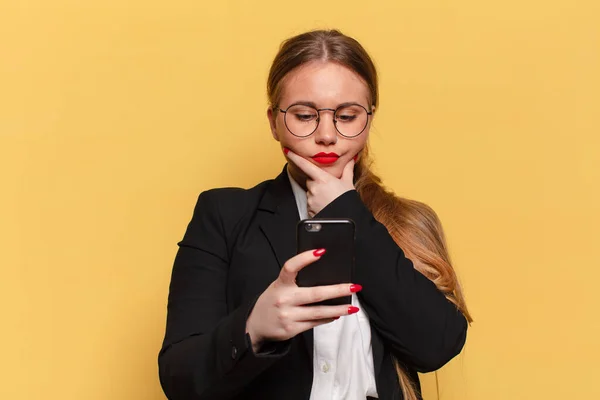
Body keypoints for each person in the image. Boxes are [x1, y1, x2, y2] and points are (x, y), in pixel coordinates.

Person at [158, 29, 472, 400]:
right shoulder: (224, 215)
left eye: (347, 115)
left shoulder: (408, 220)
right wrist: (254, 328)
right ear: (274, 121)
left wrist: (348, 212)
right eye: (305, 115)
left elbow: (436, 346)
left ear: (368, 120)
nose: (326, 134)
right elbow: (179, 379)